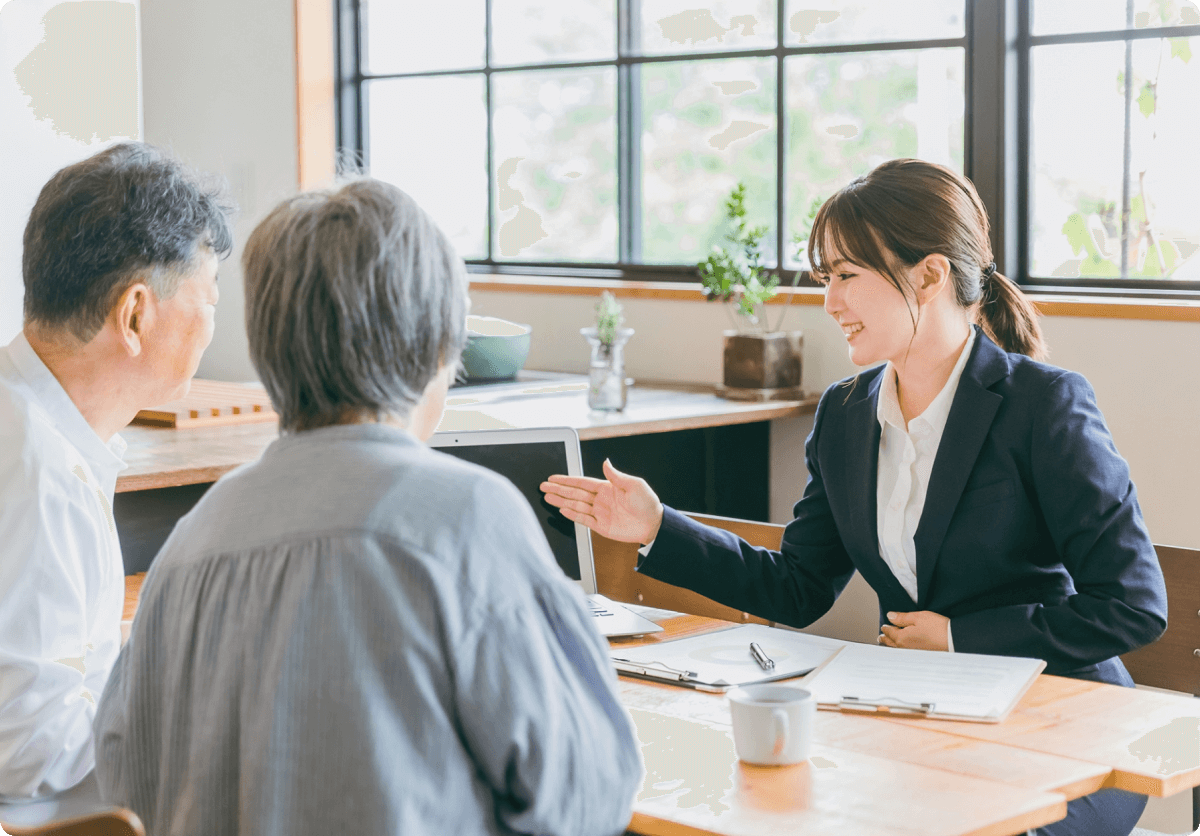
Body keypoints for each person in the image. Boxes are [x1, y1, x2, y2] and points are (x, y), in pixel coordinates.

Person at [541, 159, 1167, 836]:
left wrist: (957, 638)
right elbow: (799, 587)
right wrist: (656, 525)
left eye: (846, 276)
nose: (830, 302)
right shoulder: (845, 415)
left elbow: (1133, 607)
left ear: (929, 276)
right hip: (921, 723)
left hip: (1064, 729)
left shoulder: (1042, 405)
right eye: (826, 278)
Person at [94, 179, 644, 836]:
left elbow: (122, 776)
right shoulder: (465, 517)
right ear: (438, 347)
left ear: (269, 348)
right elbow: (586, 795)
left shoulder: (191, 543)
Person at [0, 144, 231, 800]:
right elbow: (30, 758)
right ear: (135, 315)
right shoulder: (40, 473)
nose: (213, 324)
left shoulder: (30, 422)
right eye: (208, 297)